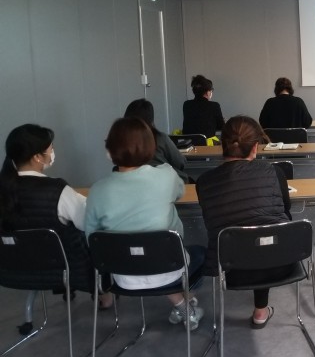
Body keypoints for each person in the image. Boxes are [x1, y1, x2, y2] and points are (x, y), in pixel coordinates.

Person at [85, 117, 206, 330]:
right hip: (169, 267)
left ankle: (183, 306)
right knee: (200, 254)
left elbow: (91, 238)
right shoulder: (166, 175)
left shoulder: (97, 190)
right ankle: (185, 304)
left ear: (109, 149)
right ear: (151, 146)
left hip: (122, 275)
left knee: (150, 255)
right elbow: (179, 192)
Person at [195, 116, 293, 329]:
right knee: (265, 231)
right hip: (280, 261)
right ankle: (261, 310)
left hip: (229, 267)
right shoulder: (274, 172)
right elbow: (286, 209)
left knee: (246, 230)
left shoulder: (203, 182)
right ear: (255, 147)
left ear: (222, 145)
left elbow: (211, 219)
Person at [0, 124, 113, 307]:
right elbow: (88, 223)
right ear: (37, 157)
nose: (53, 153)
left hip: (14, 272)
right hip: (66, 270)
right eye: (50, 148)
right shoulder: (57, 190)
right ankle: (103, 292)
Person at [124, 98, 187, 181]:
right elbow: (181, 163)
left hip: (134, 184)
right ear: (150, 119)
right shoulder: (160, 138)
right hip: (166, 183)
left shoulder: (122, 142)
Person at [182, 74, 225, 138]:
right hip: (207, 142)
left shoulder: (186, 105)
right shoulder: (214, 106)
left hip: (189, 142)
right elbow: (221, 126)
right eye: (211, 90)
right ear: (207, 92)